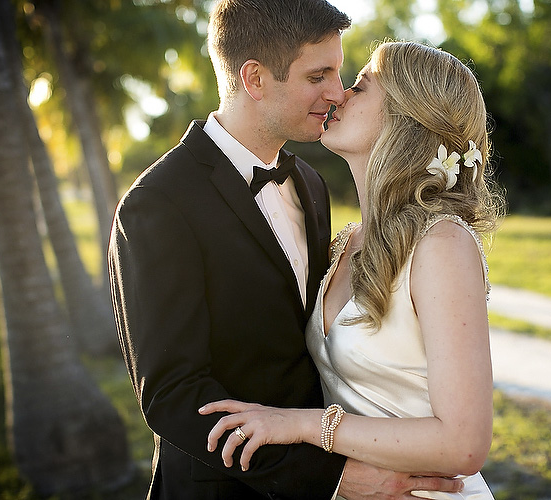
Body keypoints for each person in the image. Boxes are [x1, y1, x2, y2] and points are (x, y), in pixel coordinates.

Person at [109, 0, 465, 497]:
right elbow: (173, 395)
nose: (337, 92)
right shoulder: (158, 204)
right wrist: (334, 479)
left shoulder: (310, 183)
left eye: (339, 73)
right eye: (318, 76)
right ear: (254, 79)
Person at [199, 41, 505, 499]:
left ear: (406, 116)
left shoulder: (442, 244)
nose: (338, 95)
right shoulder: (344, 241)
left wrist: (301, 426)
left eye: (360, 86)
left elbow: (463, 444)